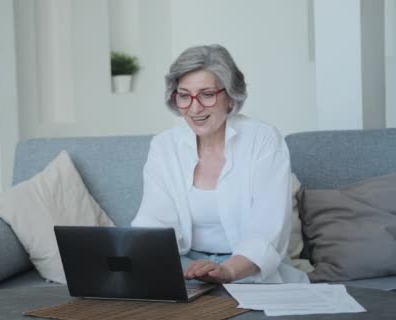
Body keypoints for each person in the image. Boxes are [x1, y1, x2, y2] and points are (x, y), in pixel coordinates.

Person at [131, 44, 309, 284]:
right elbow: (153, 224)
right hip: (185, 266)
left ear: (230, 97)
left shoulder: (263, 140)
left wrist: (228, 271)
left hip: (246, 268)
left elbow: (268, 230)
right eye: (184, 95)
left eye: (207, 94)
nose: (195, 108)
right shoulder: (164, 146)